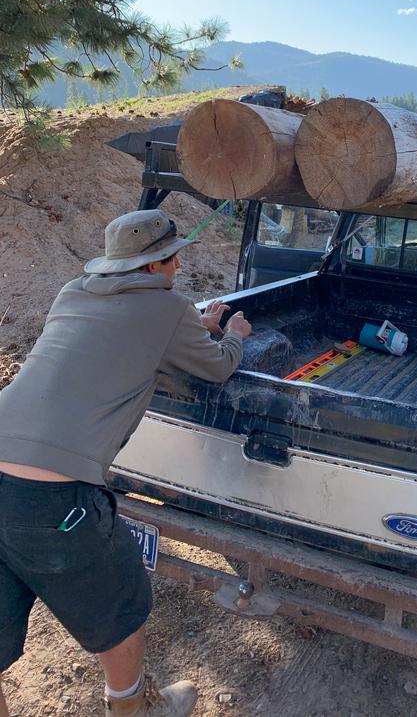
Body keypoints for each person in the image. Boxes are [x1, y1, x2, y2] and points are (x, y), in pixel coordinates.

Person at [0, 210, 252, 717]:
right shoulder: (168, 308)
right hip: (54, 495)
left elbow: (111, 339)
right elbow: (219, 366)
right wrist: (234, 333)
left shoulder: (72, 292)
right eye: (174, 259)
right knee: (120, 607)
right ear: (163, 264)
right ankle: (134, 710)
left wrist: (188, 328)